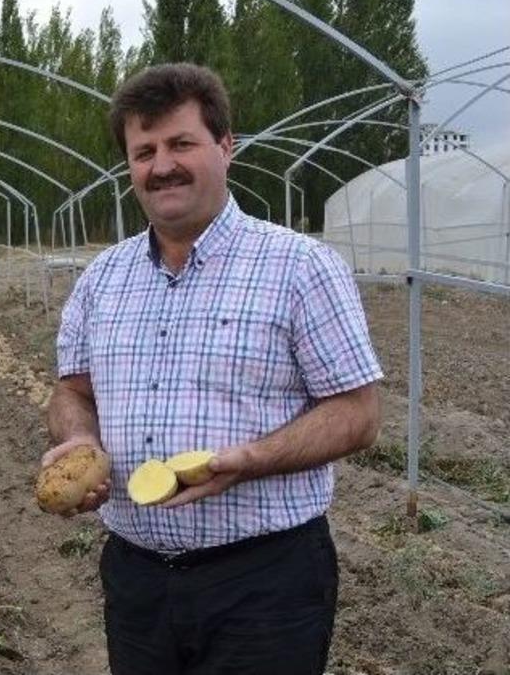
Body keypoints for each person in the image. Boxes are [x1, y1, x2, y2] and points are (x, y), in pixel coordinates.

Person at [43, 63, 382, 675]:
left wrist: (252, 459)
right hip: (136, 578)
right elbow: (73, 391)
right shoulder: (102, 279)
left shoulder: (300, 266)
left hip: (265, 584)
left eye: (181, 144)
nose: (162, 165)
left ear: (226, 146)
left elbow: (359, 415)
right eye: (144, 152)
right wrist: (79, 440)